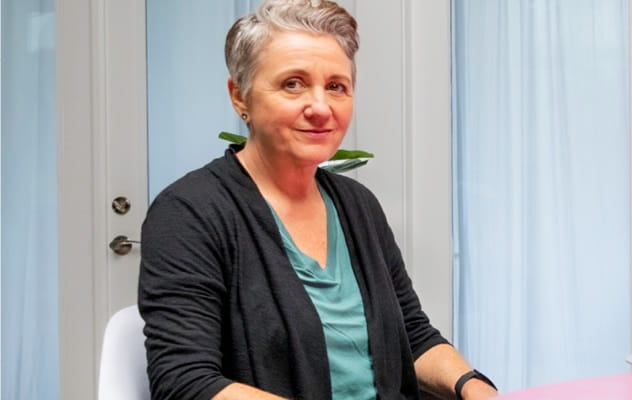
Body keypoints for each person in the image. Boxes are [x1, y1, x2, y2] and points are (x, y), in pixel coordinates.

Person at [139, 1, 495, 399]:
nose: (321, 107)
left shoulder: (357, 205)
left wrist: (473, 386)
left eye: (336, 87)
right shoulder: (189, 213)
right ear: (239, 97)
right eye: (293, 83)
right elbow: (185, 381)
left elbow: (411, 334)